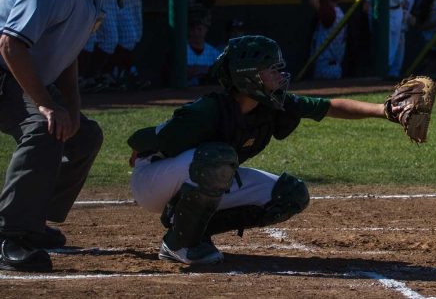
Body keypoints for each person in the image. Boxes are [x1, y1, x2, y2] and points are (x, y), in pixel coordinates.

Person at [127, 35, 404, 266]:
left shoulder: (272, 104)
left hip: (199, 174)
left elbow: (329, 106)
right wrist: (141, 149)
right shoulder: (208, 110)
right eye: (271, 69)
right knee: (218, 157)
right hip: (153, 181)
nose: (280, 75)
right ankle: (179, 245)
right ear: (248, 76)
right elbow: (143, 138)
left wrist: (385, 111)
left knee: (289, 194)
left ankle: (189, 230)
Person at [0, 0, 137, 272]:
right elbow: (10, 44)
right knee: (46, 130)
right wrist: (46, 105)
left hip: (20, 72)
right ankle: (10, 235)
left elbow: (67, 50)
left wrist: (71, 106)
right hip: (5, 69)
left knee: (82, 135)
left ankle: (32, 219)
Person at [308, 0, 346, 80]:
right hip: (332, 66)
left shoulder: (331, 14)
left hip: (326, 68)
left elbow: (313, 2)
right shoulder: (338, 12)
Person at [186, 11, 219, 86]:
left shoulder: (214, 52)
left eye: (199, 29)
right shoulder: (181, 50)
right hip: (186, 93)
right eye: (193, 30)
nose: (196, 33)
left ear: (206, 30)